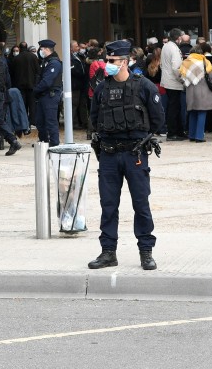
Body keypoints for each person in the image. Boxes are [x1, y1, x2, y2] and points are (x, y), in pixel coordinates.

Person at [87, 39, 165, 271]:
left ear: (125, 61)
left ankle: (146, 251)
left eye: (111, 61)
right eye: (106, 60)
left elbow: (158, 119)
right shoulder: (102, 88)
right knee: (108, 205)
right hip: (109, 155)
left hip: (135, 154)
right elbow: (94, 119)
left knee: (141, 204)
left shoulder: (143, 86)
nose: (107, 64)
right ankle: (108, 252)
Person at [180, 44, 212, 142]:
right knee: (202, 113)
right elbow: (211, 75)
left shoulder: (185, 62)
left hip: (190, 91)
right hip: (203, 91)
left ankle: (192, 135)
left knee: (192, 113)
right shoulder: (204, 61)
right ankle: (199, 136)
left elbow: (181, 77)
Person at [32, 39, 63, 147]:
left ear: (46, 49)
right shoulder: (46, 62)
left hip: (50, 95)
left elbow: (47, 81)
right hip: (44, 95)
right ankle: (44, 142)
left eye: (41, 49)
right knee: (40, 121)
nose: (40, 51)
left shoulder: (54, 63)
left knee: (50, 121)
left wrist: (35, 90)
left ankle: (54, 144)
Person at [0, 46, 22, 155]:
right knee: (0, 119)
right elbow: (8, 81)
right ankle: (12, 141)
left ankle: (12, 141)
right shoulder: (2, 62)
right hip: (3, 93)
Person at [159, 29, 186, 141]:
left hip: (167, 80)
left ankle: (177, 132)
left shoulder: (166, 46)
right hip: (174, 81)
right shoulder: (174, 48)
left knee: (173, 107)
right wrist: (182, 79)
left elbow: (162, 64)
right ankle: (173, 133)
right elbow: (176, 67)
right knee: (174, 108)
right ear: (178, 38)